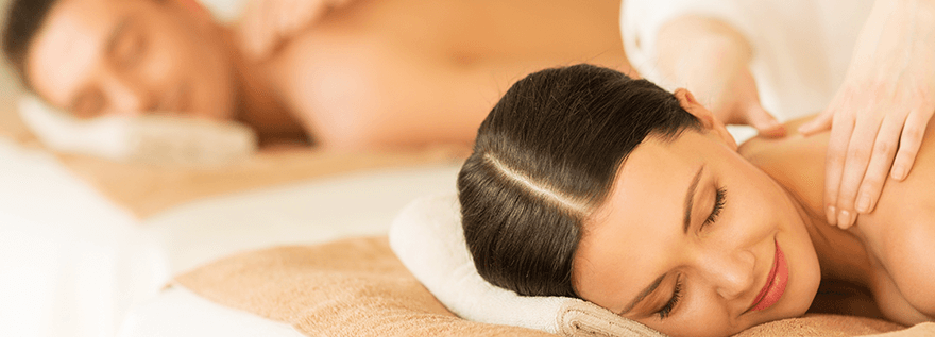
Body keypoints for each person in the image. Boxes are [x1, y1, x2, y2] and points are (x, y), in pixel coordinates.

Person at [457, 64, 935, 337]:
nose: (736, 277)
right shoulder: (765, 164)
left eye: (713, 209)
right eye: (668, 299)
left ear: (706, 116)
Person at [2, 0, 630, 149]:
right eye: (91, 104)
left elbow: (621, 99)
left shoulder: (344, 95)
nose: (132, 102)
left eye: (131, 47)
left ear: (188, 9)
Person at [620, 0, 935, 230]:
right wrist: (705, 57)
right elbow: (677, 12)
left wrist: (913, 14)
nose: (736, 278)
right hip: (787, 152)